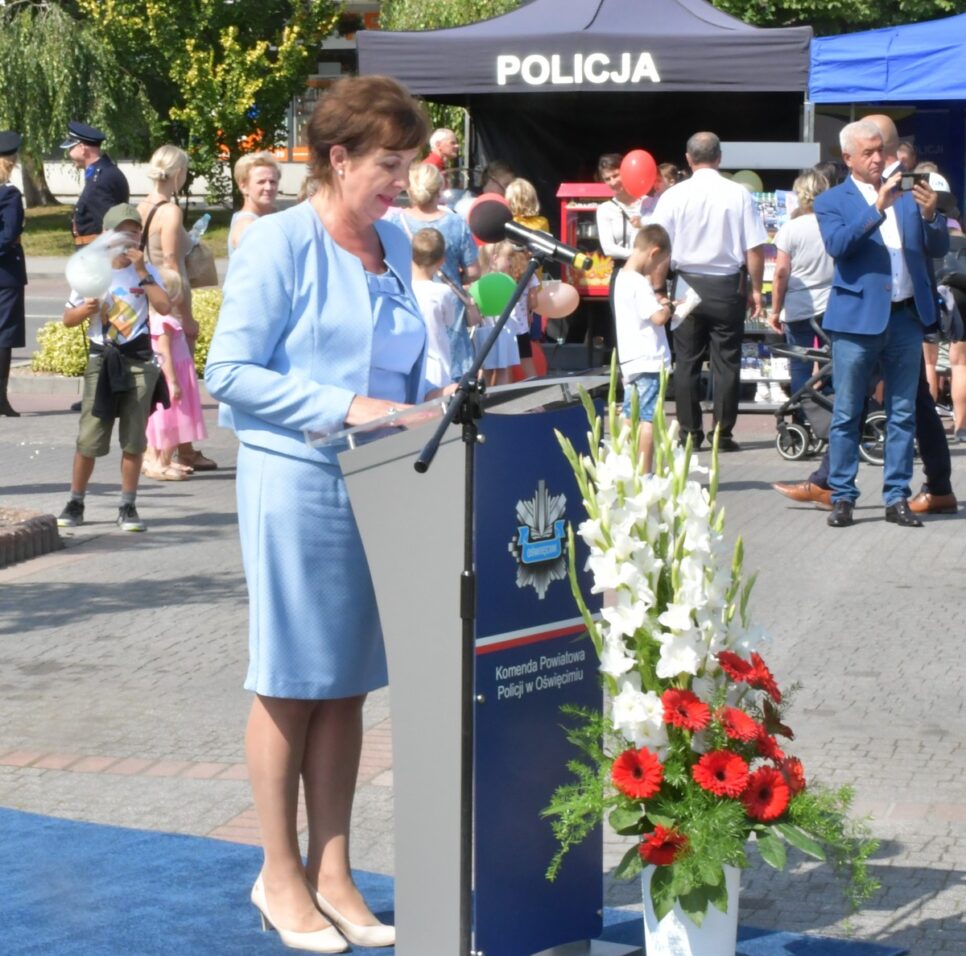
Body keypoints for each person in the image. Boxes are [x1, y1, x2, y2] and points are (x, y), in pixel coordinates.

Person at [204, 74, 438, 953]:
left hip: (381, 482)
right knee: (291, 680)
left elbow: (401, 361)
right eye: (389, 164)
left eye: (409, 164)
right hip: (297, 480)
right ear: (337, 158)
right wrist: (351, 406)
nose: (403, 182)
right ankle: (278, 874)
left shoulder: (389, 240)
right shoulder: (278, 242)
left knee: (346, 684)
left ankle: (333, 872)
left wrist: (434, 401)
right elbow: (229, 372)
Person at [773, 115, 958, 518]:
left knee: (903, 412)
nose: (878, 159)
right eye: (869, 153)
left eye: (881, 151)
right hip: (856, 321)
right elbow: (839, 246)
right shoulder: (832, 201)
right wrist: (876, 207)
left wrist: (931, 216)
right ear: (849, 158)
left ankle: (896, 497)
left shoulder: (906, 193)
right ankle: (842, 495)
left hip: (905, 318)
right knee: (847, 410)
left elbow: (937, 247)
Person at [56, 204, 171, 533]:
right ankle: (76, 501)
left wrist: (143, 271)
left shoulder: (146, 272)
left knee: (134, 440)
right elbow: (68, 319)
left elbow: (164, 306)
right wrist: (86, 309)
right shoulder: (92, 272)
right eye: (122, 232)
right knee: (89, 437)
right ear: (107, 235)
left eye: (134, 232)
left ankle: (128, 505)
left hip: (139, 361)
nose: (129, 238)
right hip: (102, 361)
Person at [652, 131, 768, 452]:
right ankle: (723, 433)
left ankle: (690, 433)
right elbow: (755, 248)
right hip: (727, 285)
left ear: (688, 159)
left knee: (686, 361)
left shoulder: (673, 196)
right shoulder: (739, 194)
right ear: (720, 158)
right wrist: (757, 289)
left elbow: (658, 247)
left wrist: (658, 287)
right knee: (727, 361)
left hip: (686, 283)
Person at [135, 144, 216, 474]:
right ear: (179, 173)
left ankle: (183, 449)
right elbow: (170, 260)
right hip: (170, 299)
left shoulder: (141, 207)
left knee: (162, 376)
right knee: (176, 379)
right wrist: (185, 315)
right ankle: (162, 454)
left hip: (149, 297)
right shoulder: (170, 212)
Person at [389, 162, 480, 379]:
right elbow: (474, 271)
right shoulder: (456, 223)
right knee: (453, 371)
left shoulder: (395, 222)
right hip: (449, 306)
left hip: (408, 300)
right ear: (440, 188)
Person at [767, 171, 834, 397]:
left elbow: (781, 273)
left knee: (799, 364)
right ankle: (830, 409)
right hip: (831, 304)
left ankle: (801, 409)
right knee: (832, 362)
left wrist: (775, 311)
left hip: (799, 304)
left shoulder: (791, 228)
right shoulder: (833, 224)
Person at [614, 224, 673, 472]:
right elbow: (657, 318)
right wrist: (668, 306)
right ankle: (645, 471)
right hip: (649, 359)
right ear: (654, 252)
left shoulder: (621, 278)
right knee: (648, 418)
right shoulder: (638, 283)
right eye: (659, 262)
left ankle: (627, 466)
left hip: (630, 359)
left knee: (630, 414)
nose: (657, 268)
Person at [143, 269, 208, 480]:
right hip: (175, 375)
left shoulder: (153, 320)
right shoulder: (167, 322)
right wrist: (173, 382)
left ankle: (156, 459)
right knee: (177, 421)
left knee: (162, 421)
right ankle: (161, 463)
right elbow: (165, 354)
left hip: (165, 375)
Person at [596, 153, 644, 344]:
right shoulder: (605, 209)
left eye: (616, 175)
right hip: (622, 270)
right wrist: (637, 255)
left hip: (649, 271)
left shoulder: (647, 202)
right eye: (607, 179)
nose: (612, 182)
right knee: (624, 328)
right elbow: (608, 248)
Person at [505, 177, 549, 375]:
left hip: (511, 283)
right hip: (533, 281)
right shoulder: (542, 223)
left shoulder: (509, 224)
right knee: (531, 338)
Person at [62, 121, 130, 247]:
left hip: (97, 251)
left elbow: (110, 225)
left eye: (71, 148)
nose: (69, 153)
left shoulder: (98, 180)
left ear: (82, 148)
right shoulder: (104, 171)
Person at [410, 227, 457, 389]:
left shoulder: (403, 288)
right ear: (441, 261)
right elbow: (450, 321)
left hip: (409, 365)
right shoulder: (442, 292)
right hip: (437, 366)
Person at [0, 130, 26, 418]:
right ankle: (0, 398)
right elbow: (9, 235)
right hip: (6, 273)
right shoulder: (9, 194)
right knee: (4, 334)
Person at [475, 240, 525, 386]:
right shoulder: (502, 280)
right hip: (501, 329)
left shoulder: (481, 280)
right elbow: (514, 300)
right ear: (495, 258)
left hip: (486, 329)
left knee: (487, 369)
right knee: (502, 369)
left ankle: (485, 396)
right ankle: (503, 397)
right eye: (508, 258)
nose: (510, 263)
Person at [228, 151, 281, 255]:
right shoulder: (247, 226)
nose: (268, 187)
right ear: (244, 187)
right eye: (261, 182)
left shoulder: (271, 217)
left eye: (272, 182)